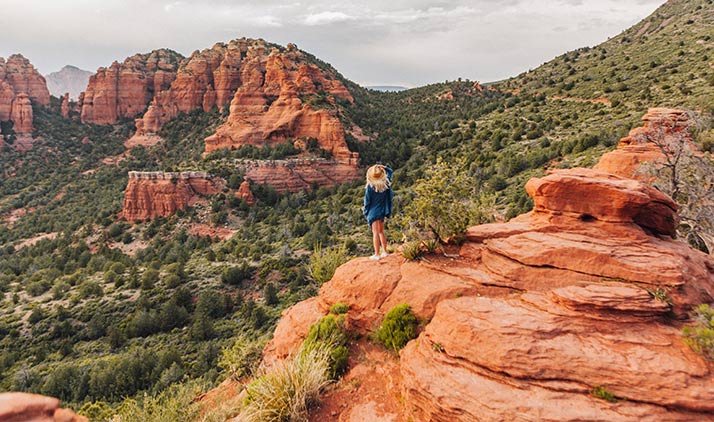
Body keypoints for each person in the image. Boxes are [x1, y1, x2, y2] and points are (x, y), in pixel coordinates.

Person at [363, 164, 393, 260]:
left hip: (373, 212)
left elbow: (367, 202)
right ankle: (384, 251)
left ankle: (376, 254)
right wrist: (383, 167)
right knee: (381, 232)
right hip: (382, 211)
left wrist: (366, 212)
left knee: (375, 233)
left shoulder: (370, 187)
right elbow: (390, 172)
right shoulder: (385, 183)